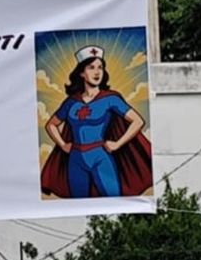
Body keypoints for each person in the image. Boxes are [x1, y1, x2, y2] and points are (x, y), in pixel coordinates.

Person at [41, 45, 152, 198]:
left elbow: (138, 121)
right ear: (81, 72)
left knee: (114, 200)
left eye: (100, 67)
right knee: (79, 204)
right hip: (76, 159)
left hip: (101, 157)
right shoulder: (71, 102)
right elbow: (51, 125)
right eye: (91, 67)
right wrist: (63, 144)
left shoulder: (110, 98)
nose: (97, 72)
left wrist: (117, 144)